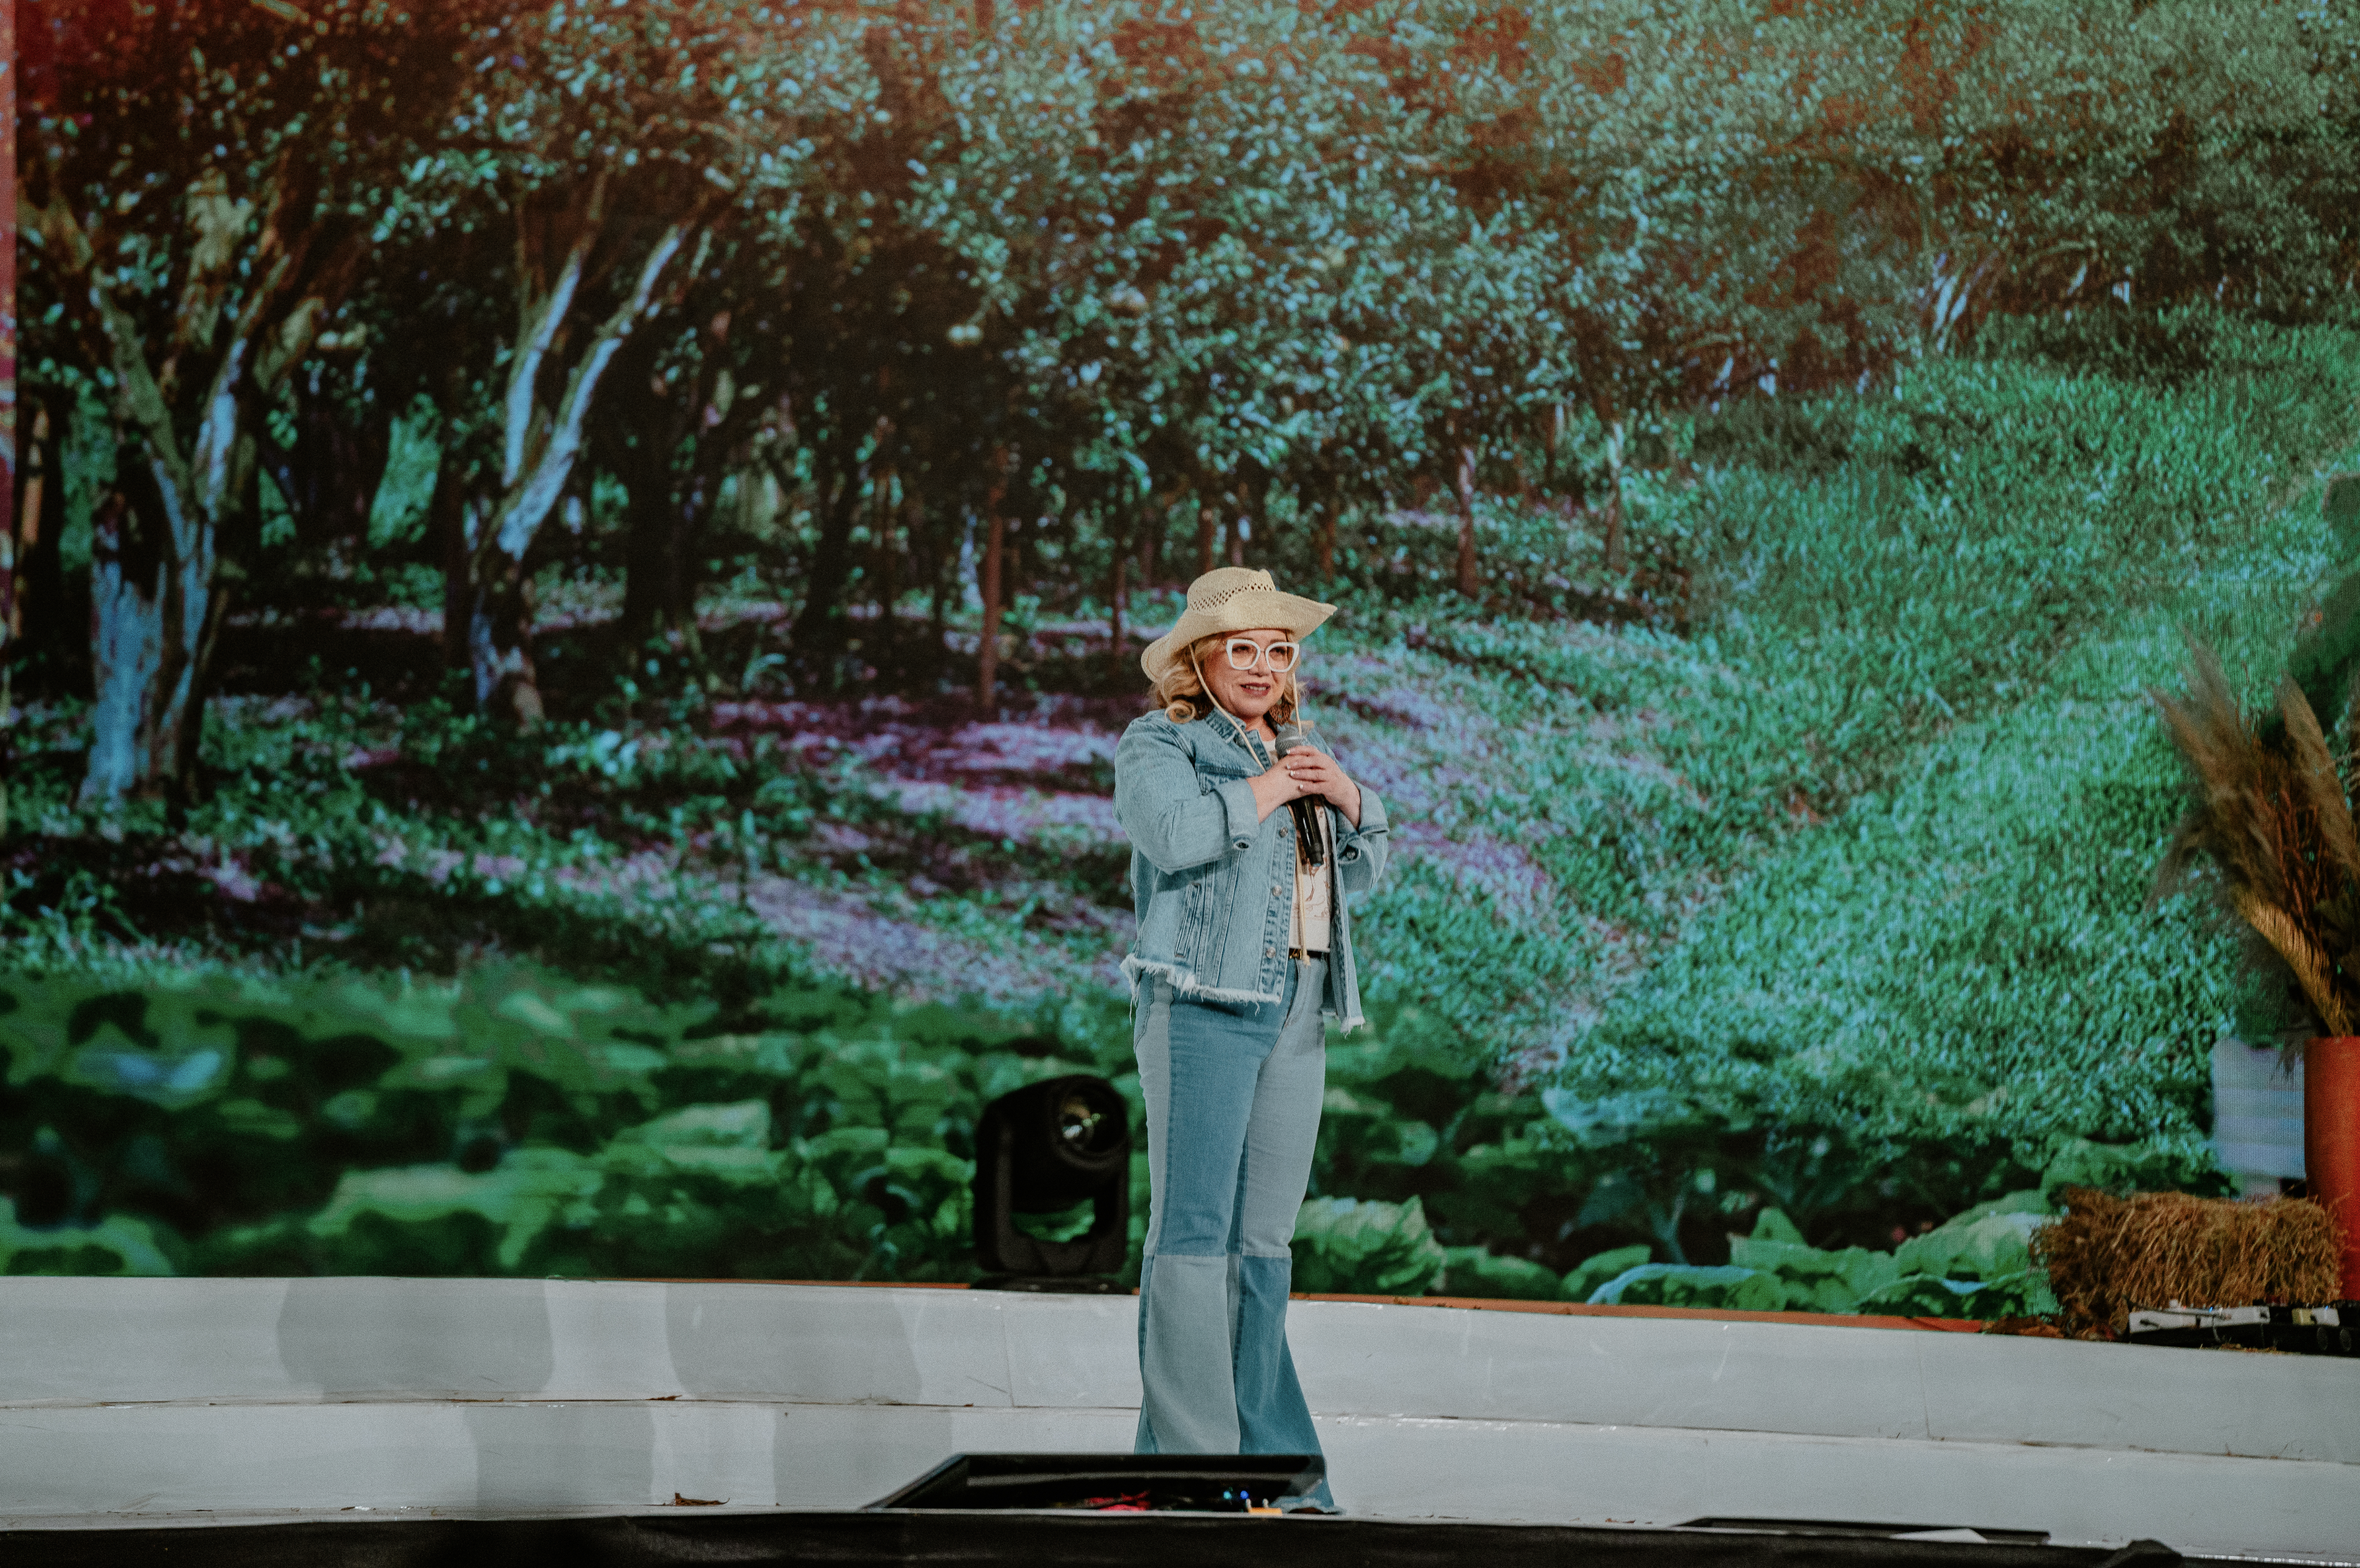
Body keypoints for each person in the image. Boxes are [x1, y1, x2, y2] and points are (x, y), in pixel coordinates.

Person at [1110, 566, 1392, 1509]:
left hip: (1299, 1002)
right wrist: (1268, 787)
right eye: (1244, 648)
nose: (1265, 665)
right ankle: (1195, 1466)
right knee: (1192, 1232)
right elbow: (1178, 836)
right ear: (1201, 657)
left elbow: (1363, 868)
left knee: (1262, 1240)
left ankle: (1266, 1464)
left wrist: (1352, 800)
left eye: (1280, 649)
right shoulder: (1162, 741)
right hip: (1201, 999)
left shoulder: (1300, 747)